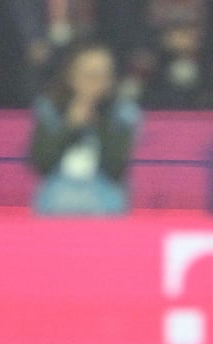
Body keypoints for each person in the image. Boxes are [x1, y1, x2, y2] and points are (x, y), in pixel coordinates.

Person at [29, 40, 140, 216]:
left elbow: (116, 167)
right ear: (72, 77)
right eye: (91, 76)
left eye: (105, 76)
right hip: (55, 206)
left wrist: (98, 121)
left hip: (105, 208)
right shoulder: (50, 110)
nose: (98, 83)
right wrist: (69, 127)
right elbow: (42, 163)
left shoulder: (122, 114)